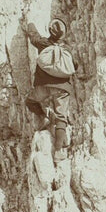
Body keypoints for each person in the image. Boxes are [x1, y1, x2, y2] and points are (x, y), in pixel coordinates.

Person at [25, 19, 76, 162]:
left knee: (30, 101)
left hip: (42, 87)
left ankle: (46, 115)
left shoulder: (44, 44)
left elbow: (33, 37)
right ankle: (59, 152)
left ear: (50, 31)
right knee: (62, 117)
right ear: (63, 34)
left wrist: (30, 22)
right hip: (62, 89)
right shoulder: (67, 49)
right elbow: (75, 66)